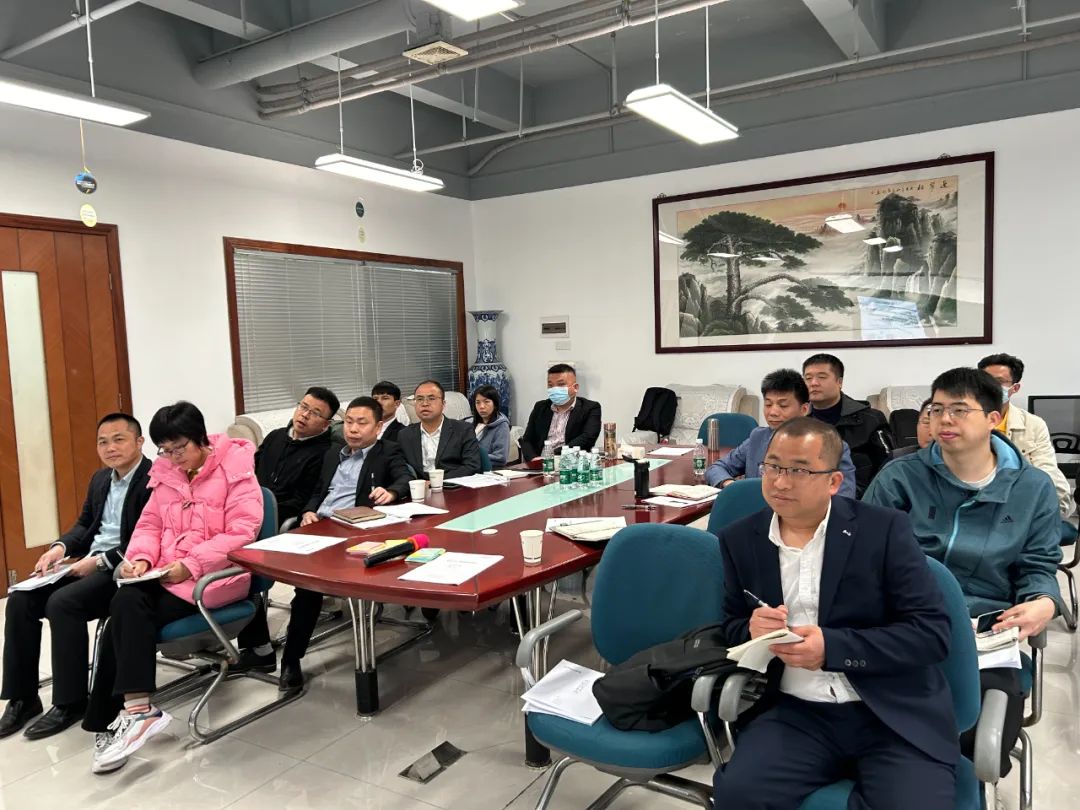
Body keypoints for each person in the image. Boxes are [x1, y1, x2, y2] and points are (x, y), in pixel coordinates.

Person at [713, 417, 958, 809]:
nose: (780, 482)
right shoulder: (740, 539)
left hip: (889, 711)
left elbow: (931, 634)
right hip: (797, 713)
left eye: (799, 471)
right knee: (738, 795)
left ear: (833, 482)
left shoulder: (883, 530)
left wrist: (833, 648)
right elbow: (730, 624)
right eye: (773, 467)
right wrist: (751, 629)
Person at [864, 367, 1062, 775]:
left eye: (959, 410)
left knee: (972, 744)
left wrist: (1044, 600)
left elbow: (1039, 563)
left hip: (985, 632)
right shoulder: (900, 477)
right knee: (869, 735)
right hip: (902, 623)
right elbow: (863, 557)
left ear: (993, 419)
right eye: (936, 410)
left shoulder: (1032, 487)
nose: (944, 420)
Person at [84, 402, 263, 775]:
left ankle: (118, 717)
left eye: (179, 448)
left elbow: (242, 533)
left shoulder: (235, 471)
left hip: (215, 578)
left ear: (200, 438)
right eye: (165, 450)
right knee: (124, 605)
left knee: (124, 611)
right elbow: (149, 524)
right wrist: (141, 559)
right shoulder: (166, 473)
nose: (172, 457)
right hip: (167, 575)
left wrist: (191, 564)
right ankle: (133, 712)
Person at [0, 414, 152, 741]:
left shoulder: (154, 480)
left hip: (124, 568)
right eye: (103, 442)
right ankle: (23, 698)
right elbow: (85, 525)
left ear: (139, 442)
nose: (110, 448)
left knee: (63, 603)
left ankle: (71, 701)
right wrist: (59, 548)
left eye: (119, 439)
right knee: (20, 599)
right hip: (88, 562)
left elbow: (147, 537)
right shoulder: (100, 479)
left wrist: (98, 562)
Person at [280, 397, 412, 692]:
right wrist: (309, 511)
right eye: (349, 422)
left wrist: (391, 492)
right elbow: (319, 491)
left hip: (356, 533)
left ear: (378, 427)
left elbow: (405, 478)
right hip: (320, 527)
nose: (353, 429)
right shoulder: (332, 454)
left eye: (361, 423)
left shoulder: (387, 451)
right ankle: (290, 658)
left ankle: (292, 657)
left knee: (309, 588)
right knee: (305, 584)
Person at [233, 386, 339, 675]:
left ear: (327, 423)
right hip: (246, 514)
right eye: (303, 407)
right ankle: (237, 635)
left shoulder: (325, 452)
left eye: (314, 413)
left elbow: (304, 499)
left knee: (240, 561)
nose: (304, 415)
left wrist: (259, 509)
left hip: (283, 521)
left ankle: (260, 648)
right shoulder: (275, 437)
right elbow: (250, 476)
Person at [705, 369, 857, 498]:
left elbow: (845, 497)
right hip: (755, 514)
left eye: (783, 405)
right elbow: (716, 468)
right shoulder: (758, 437)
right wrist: (731, 485)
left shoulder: (831, 445)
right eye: (768, 404)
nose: (773, 412)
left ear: (804, 409)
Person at [978, 352, 1075, 518]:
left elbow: (1048, 472)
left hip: (1018, 503)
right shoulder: (963, 420)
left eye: (999, 382)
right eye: (985, 381)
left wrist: (1051, 511)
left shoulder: (1033, 425)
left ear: (1014, 388)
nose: (990, 387)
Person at [802, 353, 893, 494]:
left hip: (861, 498)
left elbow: (888, 465)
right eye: (808, 378)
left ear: (839, 382)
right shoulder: (797, 422)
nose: (813, 383)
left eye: (822, 377)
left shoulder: (871, 419)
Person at [398, 380, 482, 480]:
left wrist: (436, 482)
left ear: (443, 404)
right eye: (419, 399)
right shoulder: (405, 434)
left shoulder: (463, 429)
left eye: (431, 398)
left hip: (453, 485)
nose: (425, 403)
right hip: (419, 487)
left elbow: (472, 466)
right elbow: (401, 469)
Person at [520, 364, 602, 461]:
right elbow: (527, 440)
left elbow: (588, 438)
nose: (555, 389)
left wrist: (554, 455)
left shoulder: (590, 408)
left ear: (575, 387)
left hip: (570, 462)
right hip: (539, 462)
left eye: (561, 384)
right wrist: (534, 459)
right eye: (550, 385)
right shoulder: (540, 407)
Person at [467, 384, 511, 468]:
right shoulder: (468, 423)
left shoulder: (502, 426)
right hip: (467, 467)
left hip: (487, 470)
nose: (482, 406)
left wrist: (470, 458)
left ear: (495, 404)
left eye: (486, 402)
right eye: (478, 402)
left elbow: (500, 458)